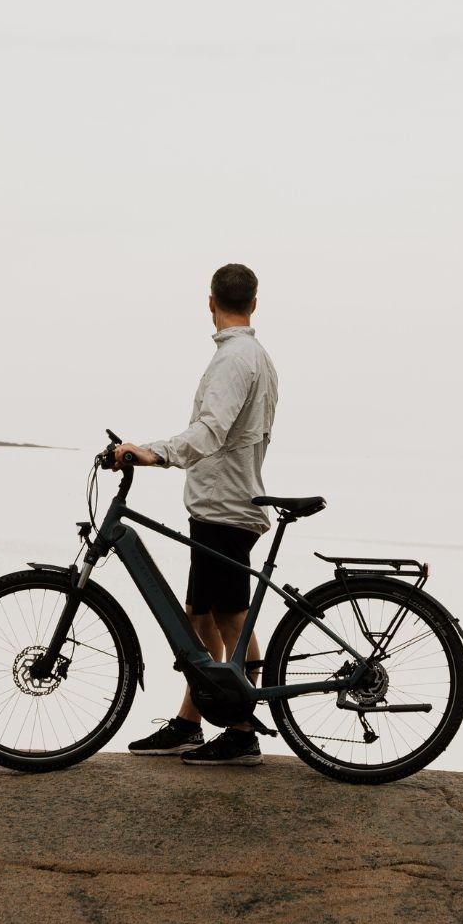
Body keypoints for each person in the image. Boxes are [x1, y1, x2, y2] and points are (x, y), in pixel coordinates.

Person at [115, 262, 280, 767]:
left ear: (210, 302)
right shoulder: (252, 357)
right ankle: (191, 721)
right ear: (254, 302)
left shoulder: (236, 360)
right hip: (217, 502)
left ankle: (243, 729)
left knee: (231, 618)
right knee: (199, 616)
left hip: (227, 506)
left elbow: (210, 431)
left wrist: (153, 452)